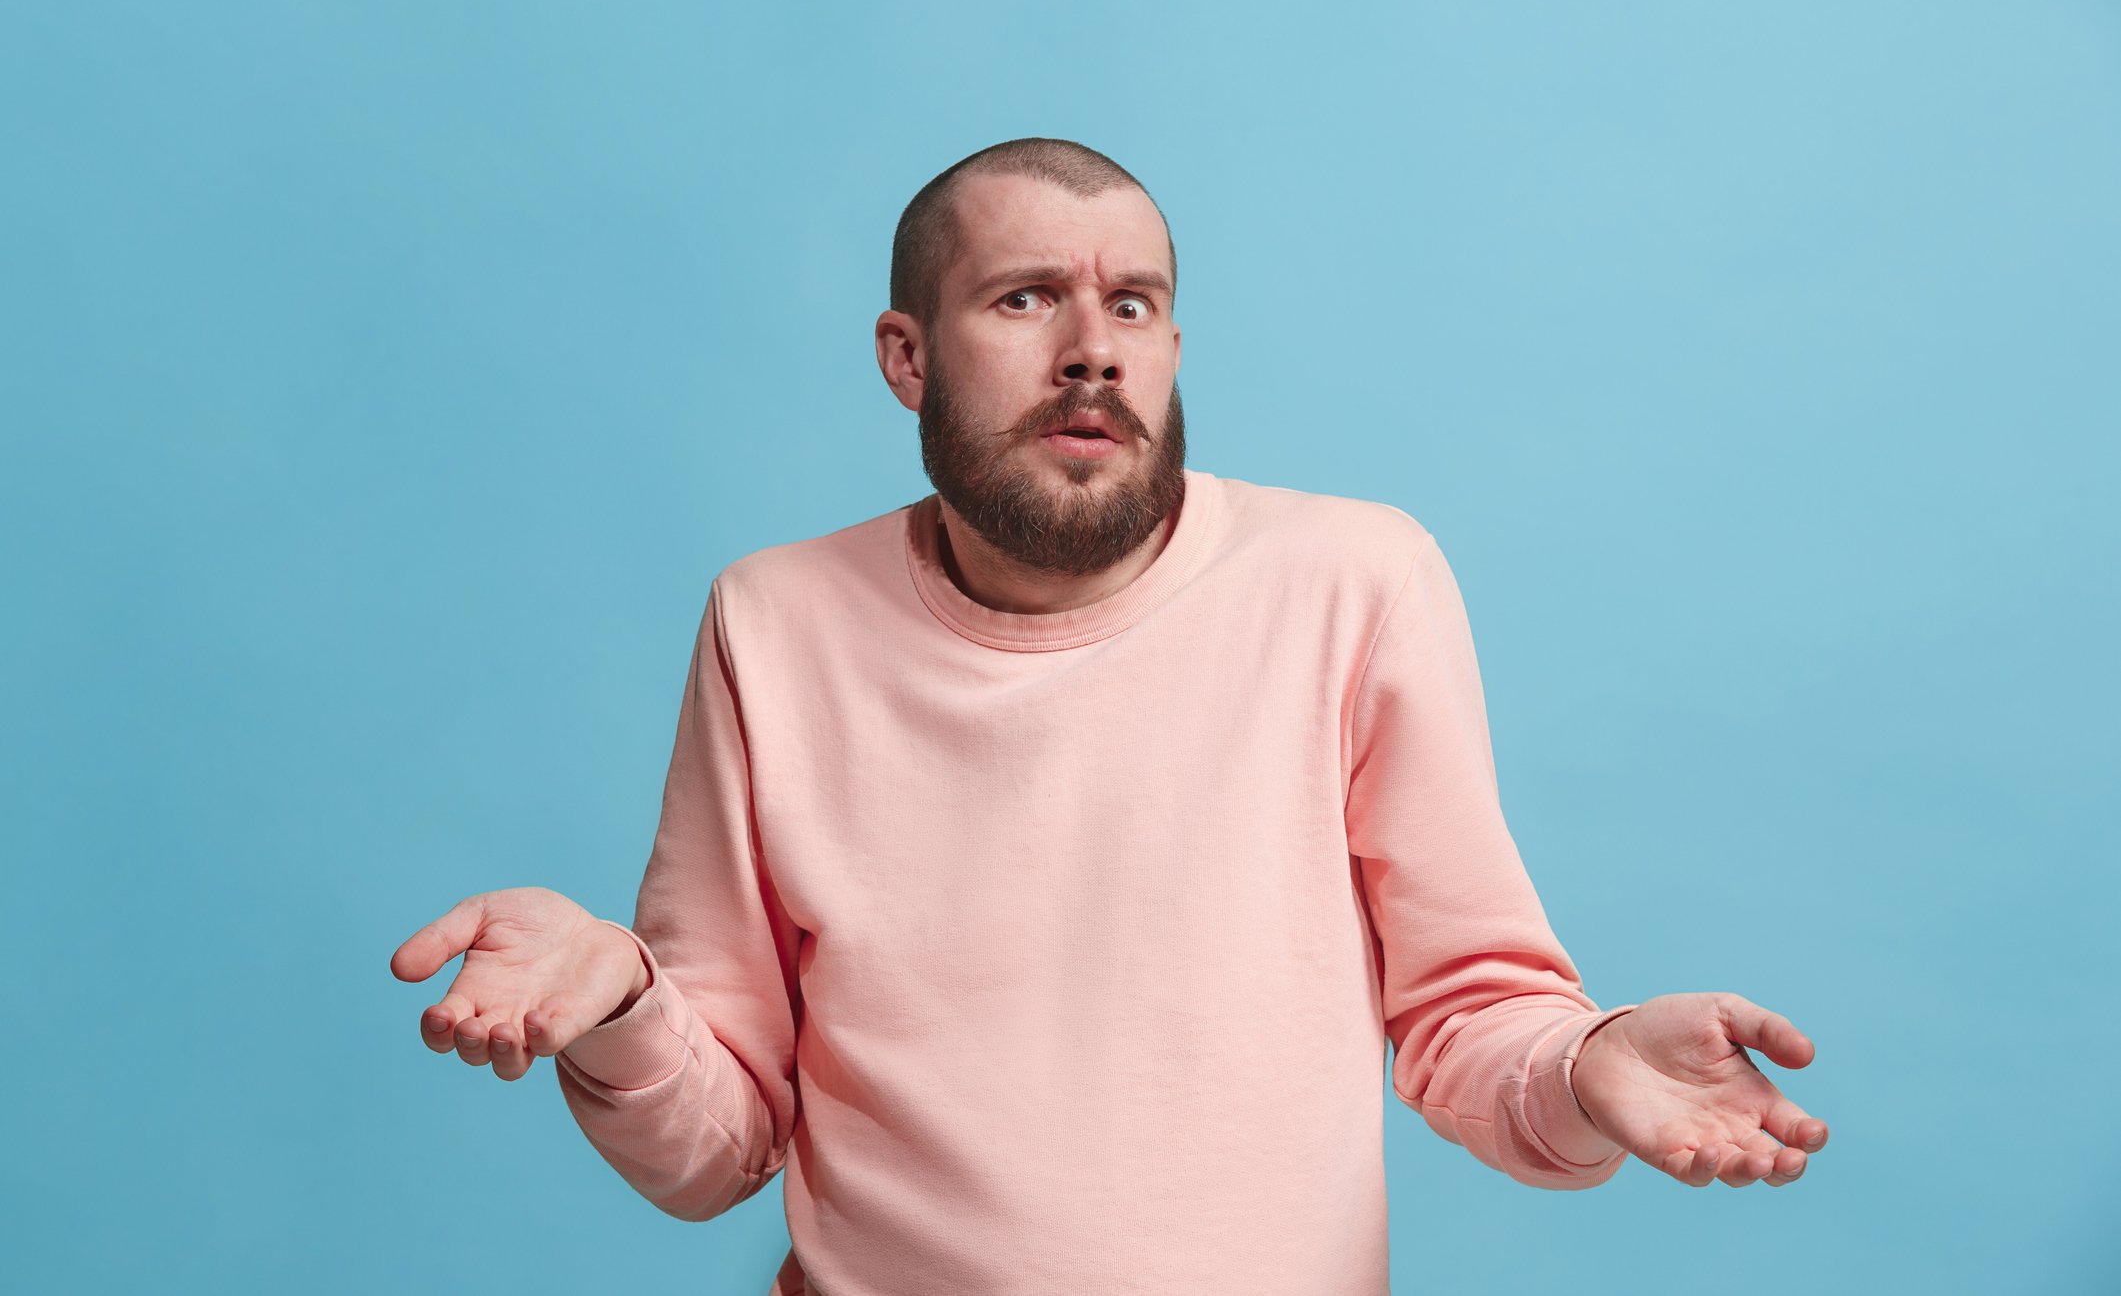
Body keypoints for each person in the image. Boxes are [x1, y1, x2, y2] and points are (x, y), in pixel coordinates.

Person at [391, 137, 1829, 1295]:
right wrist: (624, 1005)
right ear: (905, 356)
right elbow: (719, 1148)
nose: (1092, 347)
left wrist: (1588, 1063)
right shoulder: (773, 621)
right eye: (1025, 299)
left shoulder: (1353, 578)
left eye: (1130, 305)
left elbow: (1468, 1018)